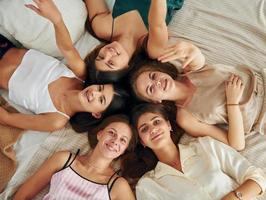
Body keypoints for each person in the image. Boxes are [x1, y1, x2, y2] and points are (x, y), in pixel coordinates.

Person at [129, 40, 266, 150]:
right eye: (151, 89)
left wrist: (188, 48)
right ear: (155, 101)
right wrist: (232, 103)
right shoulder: (185, 117)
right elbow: (236, 144)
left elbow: (193, 53)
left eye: (153, 76)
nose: (157, 82)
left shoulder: (190, 68)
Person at [0, 0, 128, 132]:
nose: (94, 92)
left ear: (97, 114)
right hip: (4, 46)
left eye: (101, 100)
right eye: (100, 88)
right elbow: (67, 48)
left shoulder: (55, 121)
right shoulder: (79, 74)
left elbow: (6, 118)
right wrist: (56, 19)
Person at [126, 103, 266, 200]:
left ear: (168, 125)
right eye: (144, 129)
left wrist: (233, 197)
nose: (153, 129)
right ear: (142, 141)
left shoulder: (206, 146)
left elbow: (257, 178)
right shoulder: (147, 185)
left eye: (156, 121)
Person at [13, 114, 137, 200]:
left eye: (123, 140)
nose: (115, 141)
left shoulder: (118, 185)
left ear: (124, 150)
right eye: (111, 133)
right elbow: (23, 195)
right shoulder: (63, 160)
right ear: (100, 134)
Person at [84, 0, 174, 69]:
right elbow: (157, 24)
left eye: (101, 56)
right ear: (126, 69)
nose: (108, 53)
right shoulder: (152, 50)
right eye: (111, 63)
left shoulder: (102, 27)